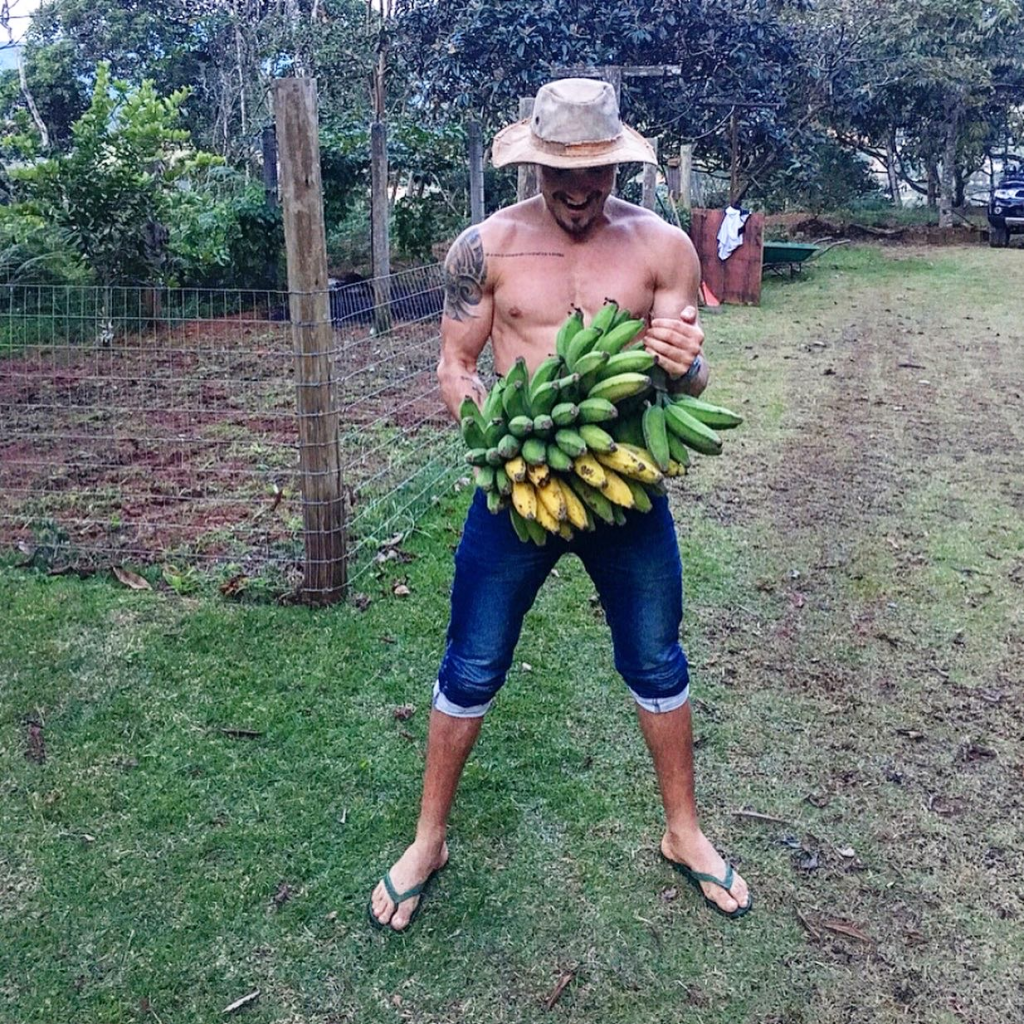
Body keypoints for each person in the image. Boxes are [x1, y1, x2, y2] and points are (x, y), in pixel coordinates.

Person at [369, 78, 752, 932]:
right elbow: (455, 367)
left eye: (596, 174)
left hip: (623, 483)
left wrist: (686, 363)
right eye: (559, 175)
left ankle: (684, 831)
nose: (578, 192)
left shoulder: (663, 248)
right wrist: (488, 437)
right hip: (521, 482)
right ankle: (429, 839)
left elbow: (690, 377)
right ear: (531, 165)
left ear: (620, 165)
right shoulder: (484, 248)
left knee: (657, 658)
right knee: (472, 662)